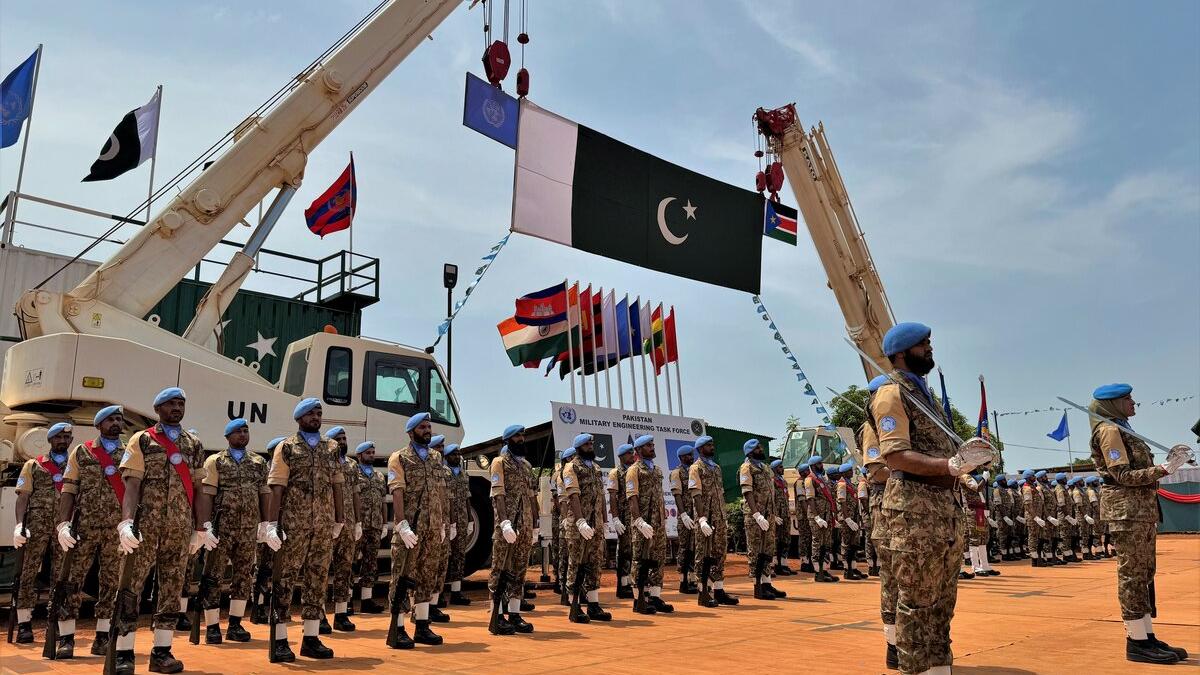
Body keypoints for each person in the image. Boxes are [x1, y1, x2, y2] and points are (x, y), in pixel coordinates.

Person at [869, 322, 993, 675]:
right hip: (913, 512)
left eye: (929, 343)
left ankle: (939, 669)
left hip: (944, 510)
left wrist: (968, 461)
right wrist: (951, 464)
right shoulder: (891, 394)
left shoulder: (927, 398)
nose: (929, 348)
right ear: (900, 353)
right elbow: (895, 457)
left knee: (942, 604)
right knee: (918, 605)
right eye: (921, 344)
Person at [113, 387, 215, 674]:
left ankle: (162, 652)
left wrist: (201, 527)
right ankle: (123, 652)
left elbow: (199, 489)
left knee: (171, 590)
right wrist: (126, 522)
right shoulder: (143, 440)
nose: (177, 408)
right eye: (171, 403)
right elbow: (132, 485)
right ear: (158, 409)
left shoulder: (193, 443)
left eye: (181, 403)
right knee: (131, 588)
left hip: (179, 530)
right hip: (145, 528)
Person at [1087, 383, 1191, 664]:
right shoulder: (1109, 431)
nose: (1134, 403)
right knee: (1132, 575)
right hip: (1126, 510)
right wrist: (1165, 469)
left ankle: (1146, 635)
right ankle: (1136, 641)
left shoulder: (1122, 429)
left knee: (1145, 573)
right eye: (1128, 399)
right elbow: (1121, 475)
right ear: (1114, 404)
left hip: (1139, 510)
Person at [262, 398, 345, 661]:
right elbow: (277, 487)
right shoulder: (287, 447)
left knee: (318, 580)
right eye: (311, 414)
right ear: (299, 418)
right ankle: (280, 638)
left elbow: (337, 484)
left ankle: (311, 639)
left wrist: (339, 519)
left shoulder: (330, 447)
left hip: (322, 525)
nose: (316, 417)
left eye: (319, 413)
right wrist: (272, 524)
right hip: (293, 527)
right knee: (284, 580)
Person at [54, 407, 125, 658]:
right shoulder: (82, 451)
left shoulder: (129, 453)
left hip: (116, 528)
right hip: (83, 527)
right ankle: (66, 638)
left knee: (111, 582)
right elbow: (69, 489)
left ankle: (103, 637)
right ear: (99, 424)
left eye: (119, 419)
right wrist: (63, 524)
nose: (116, 423)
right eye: (110, 419)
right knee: (72, 579)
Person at [196, 418, 270, 644]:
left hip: (248, 529)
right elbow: (208, 494)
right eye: (238, 432)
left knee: (243, 576)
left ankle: (236, 624)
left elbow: (264, 492)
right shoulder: (216, 461)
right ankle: (212, 626)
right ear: (228, 437)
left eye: (246, 431)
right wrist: (206, 525)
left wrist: (265, 523)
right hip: (221, 529)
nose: (243, 435)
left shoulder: (258, 462)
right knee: (213, 576)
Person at [384, 412, 448, 648]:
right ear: (411, 432)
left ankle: (422, 626)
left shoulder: (435, 457)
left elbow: (440, 492)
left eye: (429, 426)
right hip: (409, 529)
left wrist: (442, 522)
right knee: (401, 576)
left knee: (426, 575)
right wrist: (401, 524)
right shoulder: (399, 458)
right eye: (422, 427)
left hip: (432, 528)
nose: (427, 430)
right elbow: (397, 491)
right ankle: (398, 627)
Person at [11, 422, 71, 645]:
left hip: (62, 528)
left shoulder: (74, 466)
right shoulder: (34, 465)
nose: (62, 441)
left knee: (60, 575)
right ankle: (24, 624)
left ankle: (53, 622)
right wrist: (19, 525)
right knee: (28, 572)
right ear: (50, 440)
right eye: (58, 438)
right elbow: (23, 497)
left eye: (66, 438)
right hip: (36, 527)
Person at [860, 374, 898, 670]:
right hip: (885, 507)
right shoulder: (873, 429)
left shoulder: (897, 422)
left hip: (902, 506)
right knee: (893, 578)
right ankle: (893, 644)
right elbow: (878, 471)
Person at [487, 424, 538, 634]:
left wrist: (535, 523)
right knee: (500, 570)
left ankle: (515, 614)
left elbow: (532, 496)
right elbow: (497, 494)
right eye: (517, 436)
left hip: (524, 527)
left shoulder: (526, 465)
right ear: (508, 439)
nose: (521, 439)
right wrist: (504, 521)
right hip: (507, 527)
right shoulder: (499, 462)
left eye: (522, 436)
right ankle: (497, 615)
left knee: (519, 571)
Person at [560, 433, 613, 623]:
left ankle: (593, 605)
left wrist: (604, 521)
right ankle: (575, 606)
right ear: (579, 447)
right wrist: (580, 521)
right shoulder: (571, 467)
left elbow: (600, 497)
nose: (591, 446)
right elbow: (573, 496)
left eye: (592, 443)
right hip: (579, 525)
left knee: (595, 563)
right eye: (587, 444)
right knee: (576, 564)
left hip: (595, 523)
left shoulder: (596, 468)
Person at [321, 427, 362, 633]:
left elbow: (355, 494)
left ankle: (340, 614)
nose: (343, 441)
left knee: (344, 570)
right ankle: (318, 614)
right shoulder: (324, 462)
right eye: (338, 439)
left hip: (348, 524)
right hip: (327, 523)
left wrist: (358, 522)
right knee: (320, 570)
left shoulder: (353, 465)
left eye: (344, 438)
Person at [689, 435, 738, 608]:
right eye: (709, 445)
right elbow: (696, 495)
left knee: (719, 554)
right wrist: (702, 519)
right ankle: (703, 593)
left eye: (712, 444)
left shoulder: (716, 468)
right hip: (706, 518)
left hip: (719, 517)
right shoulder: (696, 468)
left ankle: (719, 590)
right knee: (703, 555)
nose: (712, 447)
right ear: (701, 449)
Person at [627, 435, 673, 614]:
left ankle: (654, 596)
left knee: (658, 559)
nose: (652, 448)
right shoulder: (634, 470)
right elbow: (632, 497)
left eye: (653, 445)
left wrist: (662, 518)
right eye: (648, 445)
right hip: (643, 523)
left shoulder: (657, 470)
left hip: (658, 523)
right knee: (640, 561)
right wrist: (638, 521)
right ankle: (639, 599)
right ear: (638, 450)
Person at [739, 439, 780, 599]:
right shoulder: (746, 468)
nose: (761, 449)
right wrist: (756, 514)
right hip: (755, 516)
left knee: (767, 549)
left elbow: (771, 493)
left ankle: (767, 583)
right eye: (758, 448)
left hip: (768, 515)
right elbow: (747, 492)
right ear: (750, 451)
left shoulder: (765, 468)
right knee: (756, 550)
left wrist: (773, 514)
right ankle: (758, 587)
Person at [353, 441, 388, 613]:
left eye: (373, 452)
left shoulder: (379, 476)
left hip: (374, 525)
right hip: (358, 525)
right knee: (350, 562)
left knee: (370, 563)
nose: (372, 456)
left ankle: (367, 600)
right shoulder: (354, 473)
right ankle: (347, 600)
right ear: (359, 456)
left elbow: (383, 501)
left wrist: (384, 523)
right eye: (368, 453)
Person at [442, 442, 472, 607]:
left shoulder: (463, 474)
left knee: (459, 555)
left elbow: (467, 496)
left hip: (462, 520)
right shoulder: (443, 473)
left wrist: (470, 519)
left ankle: (456, 591)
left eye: (458, 454)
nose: (457, 456)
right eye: (453, 454)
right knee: (443, 556)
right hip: (447, 520)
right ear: (446, 456)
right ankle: (437, 593)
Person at [607, 443, 636, 599]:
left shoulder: (635, 470)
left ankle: (630, 582)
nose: (632, 456)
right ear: (621, 456)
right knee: (624, 551)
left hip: (635, 516)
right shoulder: (615, 472)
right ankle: (622, 585)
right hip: (624, 516)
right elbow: (612, 496)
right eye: (629, 454)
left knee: (633, 551)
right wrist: (616, 518)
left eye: (633, 453)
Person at [804, 455, 838, 583]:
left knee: (826, 543)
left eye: (821, 463)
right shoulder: (810, 480)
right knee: (817, 543)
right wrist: (817, 517)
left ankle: (825, 570)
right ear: (813, 466)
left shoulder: (822, 479)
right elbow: (810, 499)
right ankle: (818, 572)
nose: (821, 465)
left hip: (826, 515)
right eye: (819, 464)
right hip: (817, 516)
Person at [670, 445, 699, 593]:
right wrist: (683, 514)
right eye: (688, 455)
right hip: (685, 516)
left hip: (695, 515)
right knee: (685, 548)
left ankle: (693, 579)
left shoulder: (694, 471)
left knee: (694, 548)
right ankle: (683, 581)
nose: (691, 457)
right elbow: (677, 495)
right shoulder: (677, 473)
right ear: (681, 458)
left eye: (691, 454)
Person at [836, 461, 866, 581]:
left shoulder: (851, 484)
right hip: (846, 518)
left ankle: (853, 568)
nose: (852, 472)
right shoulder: (842, 484)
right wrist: (847, 518)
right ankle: (846, 570)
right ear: (844, 473)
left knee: (854, 544)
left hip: (853, 517)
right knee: (846, 544)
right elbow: (842, 502)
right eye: (849, 471)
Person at [553, 447, 575, 606]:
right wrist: (565, 519)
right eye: (573, 457)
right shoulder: (559, 475)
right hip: (564, 519)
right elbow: (559, 500)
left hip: (574, 519)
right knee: (563, 554)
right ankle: (562, 587)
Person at [771, 459, 795, 576]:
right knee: (776, 540)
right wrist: (774, 515)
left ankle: (784, 564)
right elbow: (771, 500)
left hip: (785, 513)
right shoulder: (773, 482)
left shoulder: (784, 482)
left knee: (785, 539)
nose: (783, 469)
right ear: (775, 469)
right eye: (780, 467)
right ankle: (776, 565)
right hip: (777, 513)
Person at [1021, 469, 1048, 567]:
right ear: (1028, 478)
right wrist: (1036, 518)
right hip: (1033, 517)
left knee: (1038, 537)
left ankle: (1038, 557)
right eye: (1033, 476)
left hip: (1038, 516)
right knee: (1033, 537)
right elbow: (1028, 505)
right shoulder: (1027, 488)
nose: (1034, 477)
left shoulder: (1033, 487)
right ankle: (1034, 559)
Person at [794, 460, 814, 573]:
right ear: (802, 472)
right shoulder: (799, 483)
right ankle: (804, 561)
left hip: (807, 514)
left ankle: (809, 560)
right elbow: (802, 500)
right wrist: (808, 513)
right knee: (804, 538)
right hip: (803, 515)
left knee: (809, 538)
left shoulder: (806, 481)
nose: (809, 472)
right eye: (807, 470)